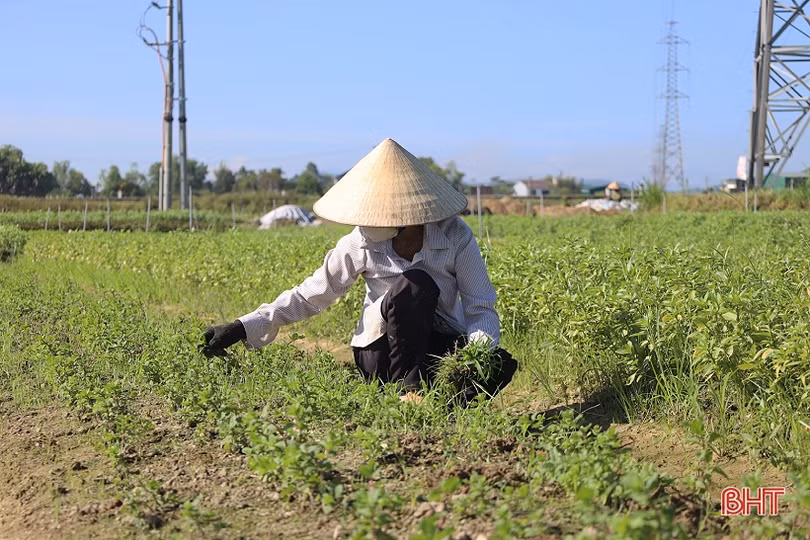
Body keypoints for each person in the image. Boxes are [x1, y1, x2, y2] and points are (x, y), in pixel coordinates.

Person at [202, 138, 517, 403]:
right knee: (415, 285)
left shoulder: (455, 237)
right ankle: (406, 392)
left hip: (435, 343)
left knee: (498, 362)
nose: (368, 222)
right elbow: (311, 295)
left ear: (404, 218)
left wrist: (476, 356)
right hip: (380, 353)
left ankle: (444, 404)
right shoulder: (360, 241)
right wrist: (243, 326)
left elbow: (480, 308)